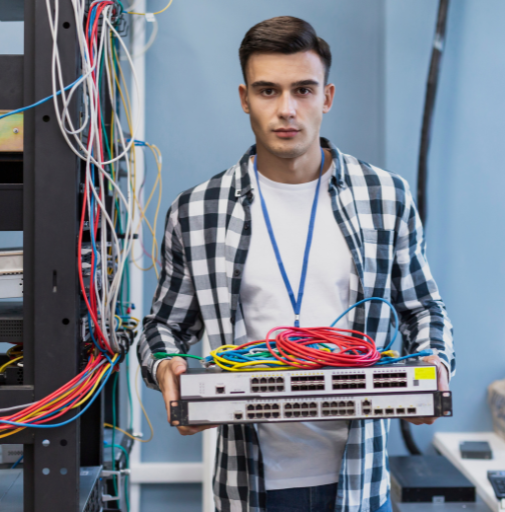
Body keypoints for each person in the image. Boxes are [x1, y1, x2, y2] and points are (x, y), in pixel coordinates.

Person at [138, 16, 455, 512]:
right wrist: (167, 368)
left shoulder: (386, 198)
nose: (286, 110)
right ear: (244, 98)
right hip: (249, 485)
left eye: (303, 90)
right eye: (268, 91)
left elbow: (423, 309)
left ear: (327, 97)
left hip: (360, 484)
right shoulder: (198, 211)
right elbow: (163, 326)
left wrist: (433, 363)